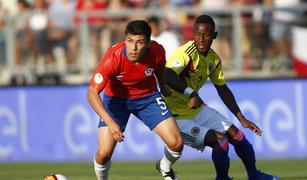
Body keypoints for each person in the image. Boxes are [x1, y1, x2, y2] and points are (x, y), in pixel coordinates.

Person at [163, 15, 279, 180]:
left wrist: (241, 118)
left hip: (197, 110)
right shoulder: (186, 53)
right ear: (192, 34)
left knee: (238, 136)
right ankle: (222, 178)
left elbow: (222, 89)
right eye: (197, 34)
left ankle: (254, 175)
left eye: (207, 35)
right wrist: (191, 93)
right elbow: (167, 75)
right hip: (175, 117)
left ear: (214, 35)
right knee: (220, 141)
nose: (201, 39)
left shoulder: (214, 59)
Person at [87, 20, 183, 180]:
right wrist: (110, 123)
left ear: (148, 43)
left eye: (139, 42)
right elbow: (91, 93)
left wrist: (163, 86)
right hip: (116, 101)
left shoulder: (157, 51)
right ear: (125, 39)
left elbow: (159, 67)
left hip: (148, 97)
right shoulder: (113, 57)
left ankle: (164, 167)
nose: (133, 47)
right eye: (130, 41)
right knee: (103, 154)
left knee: (176, 143)